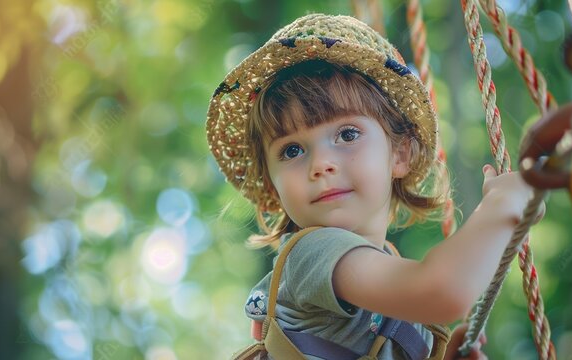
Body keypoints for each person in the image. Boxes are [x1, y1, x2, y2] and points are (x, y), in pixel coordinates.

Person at [206, 13, 537, 359]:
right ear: (274, 188)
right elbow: (443, 291)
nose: (320, 165)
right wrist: (500, 207)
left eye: (347, 135)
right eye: (292, 150)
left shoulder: (396, 283)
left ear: (400, 154)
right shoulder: (311, 254)